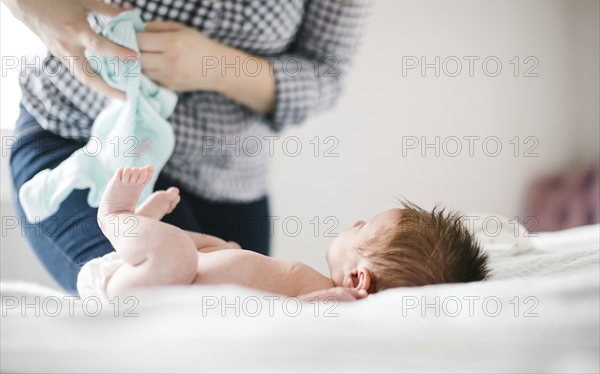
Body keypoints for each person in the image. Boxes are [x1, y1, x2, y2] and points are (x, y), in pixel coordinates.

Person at [0, 0, 379, 293]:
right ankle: (114, 216)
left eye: (368, 227)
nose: (357, 223)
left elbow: (326, 73)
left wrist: (218, 67)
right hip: (83, 142)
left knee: (215, 344)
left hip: (228, 183)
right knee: (143, 306)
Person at [78, 165, 490, 302]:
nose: (353, 223)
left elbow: (298, 315)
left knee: (188, 255)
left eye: (362, 227)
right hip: (156, 277)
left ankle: (115, 216)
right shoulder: (328, 291)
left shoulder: (341, 304)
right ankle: (146, 230)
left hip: (141, 290)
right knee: (224, 248)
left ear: (359, 279)